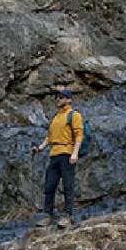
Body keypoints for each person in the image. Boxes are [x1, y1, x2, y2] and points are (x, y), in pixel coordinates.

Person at [32, 89, 83, 228]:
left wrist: (75, 153)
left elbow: (79, 135)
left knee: (68, 186)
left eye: (61, 97)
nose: (58, 99)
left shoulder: (74, 115)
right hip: (54, 154)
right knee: (49, 186)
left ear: (69, 100)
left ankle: (68, 216)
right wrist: (40, 148)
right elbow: (50, 137)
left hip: (67, 153)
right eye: (57, 97)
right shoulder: (56, 117)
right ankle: (47, 215)